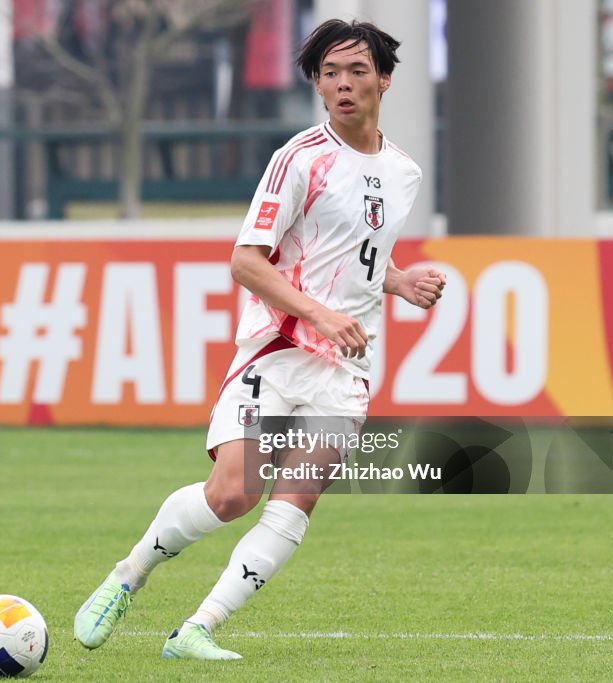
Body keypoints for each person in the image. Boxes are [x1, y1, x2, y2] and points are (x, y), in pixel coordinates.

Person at [73, 18, 447, 660]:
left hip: (346, 371)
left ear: (384, 79)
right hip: (277, 350)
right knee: (234, 494)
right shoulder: (298, 159)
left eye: (358, 71)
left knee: (295, 501)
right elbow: (248, 261)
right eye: (330, 73)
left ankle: (199, 628)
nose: (343, 84)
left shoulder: (403, 172)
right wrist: (322, 316)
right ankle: (128, 574)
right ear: (317, 85)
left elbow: (352, 255)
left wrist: (398, 280)